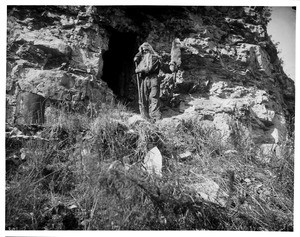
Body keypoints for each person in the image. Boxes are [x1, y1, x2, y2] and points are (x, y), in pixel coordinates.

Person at [134, 42, 162, 122]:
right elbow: (141, 67)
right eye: (144, 51)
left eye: (147, 50)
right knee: (144, 97)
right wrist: (138, 55)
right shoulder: (143, 60)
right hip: (144, 80)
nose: (145, 52)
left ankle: (155, 117)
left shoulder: (155, 57)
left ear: (150, 50)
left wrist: (139, 70)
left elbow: (149, 69)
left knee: (153, 97)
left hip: (153, 79)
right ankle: (146, 116)